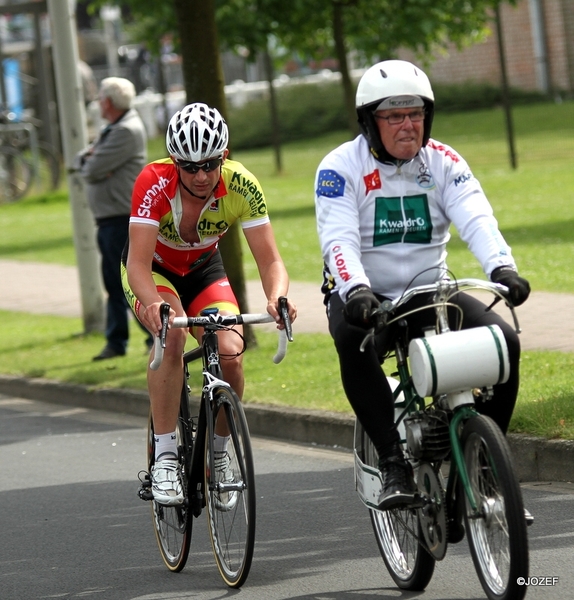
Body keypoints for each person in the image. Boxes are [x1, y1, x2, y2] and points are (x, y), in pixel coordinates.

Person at [314, 60, 531, 512]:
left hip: (432, 293)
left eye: (415, 114)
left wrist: (502, 269)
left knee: (504, 341)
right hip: (367, 298)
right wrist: (355, 290)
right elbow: (339, 238)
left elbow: (477, 217)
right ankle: (393, 462)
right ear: (369, 122)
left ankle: (485, 466)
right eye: (394, 116)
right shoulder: (339, 168)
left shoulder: (445, 161)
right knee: (352, 342)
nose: (408, 125)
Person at [121, 102, 297, 505]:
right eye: (189, 167)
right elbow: (136, 264)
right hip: (155, 270)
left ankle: (217, 457)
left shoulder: (241, 184)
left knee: (232, 352)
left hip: (203, 270)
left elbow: (270, 260)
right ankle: (165, 457)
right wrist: (154, 305)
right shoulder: (153, 181)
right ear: (174, 162)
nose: (201, 176)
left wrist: (278, 296)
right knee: (173, 336)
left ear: (225, 156)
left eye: (210, 164)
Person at [75, 76, 153, 360]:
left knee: (129, 281)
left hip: (121, 219)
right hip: (110, 219)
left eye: (100, 99)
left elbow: (89, 168)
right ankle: (121, 340)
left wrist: (92, 161)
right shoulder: (115, 129)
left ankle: (145, 337)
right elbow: (84, 160)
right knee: (116, 281)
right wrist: (90, 160)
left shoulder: (125, 131)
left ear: (107, 102)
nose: (98, 104)